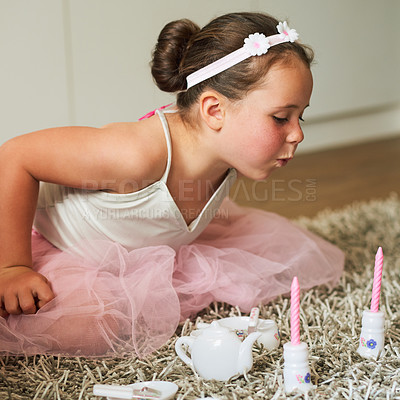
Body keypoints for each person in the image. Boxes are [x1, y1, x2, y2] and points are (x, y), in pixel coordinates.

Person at [0, 12, 344, 357]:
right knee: (88, 327)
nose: (298, 134)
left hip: (140, 248)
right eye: (281, 118)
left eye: (301, 117)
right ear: (214, 110)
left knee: (276, 263)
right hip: (51, 241)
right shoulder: (136, 154)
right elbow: (16, 156)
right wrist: (13, 266)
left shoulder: (227, 156)